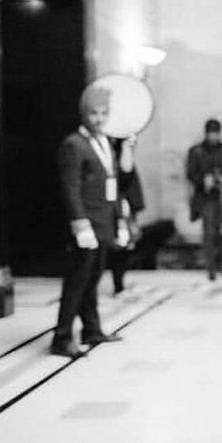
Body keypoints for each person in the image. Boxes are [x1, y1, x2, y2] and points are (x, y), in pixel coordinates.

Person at [50, 86, 129, 359]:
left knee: (92, 279)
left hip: (104, 223)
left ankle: (92, 329)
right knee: (76, 281)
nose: (99, 118)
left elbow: (113, 185)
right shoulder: (74, 144)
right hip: (86, 225)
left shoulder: (104, 143)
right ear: (84, 114)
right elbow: (70, 188)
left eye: (104, 113)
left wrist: (120, 221)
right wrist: (79, 223)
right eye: (94, 113)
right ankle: (62, 337)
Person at [187, 118, 222, 281]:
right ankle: (211, 268)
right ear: (206, 134)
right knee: (209, 233)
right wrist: (204, 180)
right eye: (211, 133)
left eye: (216, 133)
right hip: (206, 198)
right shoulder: (196, 151)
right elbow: (190, 174)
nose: (213, 137)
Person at [107, 135, 144, 296]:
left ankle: (119, 284)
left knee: (124, 245)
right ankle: (118, 285)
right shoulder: (111, 155)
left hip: (125, 207)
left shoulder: (125, 156)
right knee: (118, 246)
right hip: (114, 206)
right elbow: (124, 177)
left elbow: (129, 180)